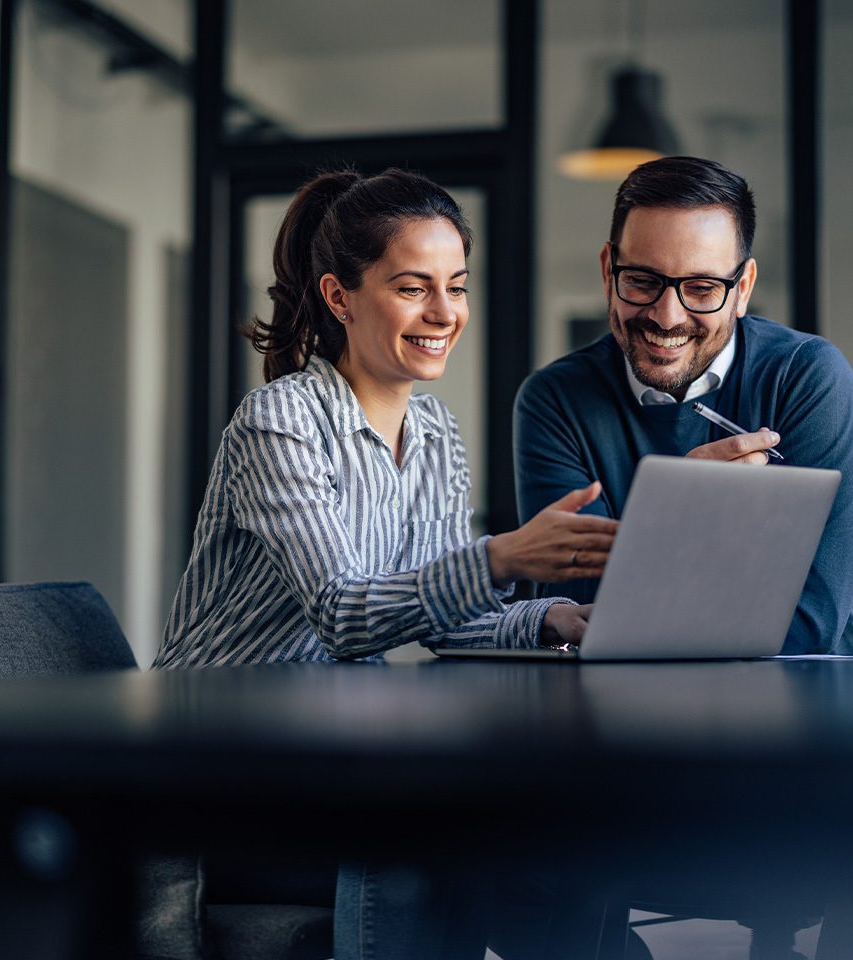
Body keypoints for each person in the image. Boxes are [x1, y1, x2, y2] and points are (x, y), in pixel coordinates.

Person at [153, 166, 617, 959]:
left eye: (456, 286)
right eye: (413, 287)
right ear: (340, 297)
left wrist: (555, 618)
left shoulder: (436, 434)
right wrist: (503, 554)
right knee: (442, 846)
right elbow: (343, 613)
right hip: (221, 780)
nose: (445, 313)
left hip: (332, 761)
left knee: (554, 861)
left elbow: (454, 620)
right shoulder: (280, 422)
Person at [513, 156, 853, 657]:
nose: (667, 317)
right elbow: (583, 617)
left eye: (702, 288)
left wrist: (653, 562)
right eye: (643, 281)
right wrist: (681, 514)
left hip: (822, 693)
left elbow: (811, 619)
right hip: (631, 706)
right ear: (609, 270)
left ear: (743, 289)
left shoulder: (808, 377)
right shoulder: (554, 401)